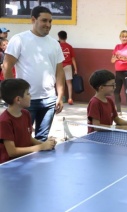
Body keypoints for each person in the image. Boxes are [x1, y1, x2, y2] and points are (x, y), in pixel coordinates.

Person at [2, 6, 65, 141]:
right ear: (33, 20)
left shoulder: (55, 44)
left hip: (49, 100)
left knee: (42, 139)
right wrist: (15, 95)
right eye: (44, 21)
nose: (48, 25)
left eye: (50, 21)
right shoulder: (19, 39)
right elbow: (7, 67)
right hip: (25, 101)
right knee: (21, 140)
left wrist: (59, 95)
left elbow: (59, 72)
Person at [0, 79, 56, 164]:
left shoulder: (26, 114)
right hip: (11, 164)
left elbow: (28, 138)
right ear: (18, 99)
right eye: (28, 93)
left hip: (25, 160)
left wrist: (46, 144)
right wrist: (40, 147)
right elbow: (12, 152)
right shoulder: (4, 121)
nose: (30, 96)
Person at [58, 30, 78, 105]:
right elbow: (73, 58)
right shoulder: (69, 46)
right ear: (66, 37)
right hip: (68, 65)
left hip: (59, 66)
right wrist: (75, 69)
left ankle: (60, 98)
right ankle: (70, 98)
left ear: (59, 37)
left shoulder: (57, 46)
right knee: (69, 83)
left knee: (59, 83)